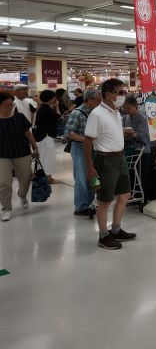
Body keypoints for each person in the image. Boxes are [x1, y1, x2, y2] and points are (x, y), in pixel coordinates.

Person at [84, 79, 137, 250]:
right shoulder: (97, 114)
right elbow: (88, 141)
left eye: (124, 92)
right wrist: (90, 167)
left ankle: (116, 229)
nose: (124, 95)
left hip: (120, 157)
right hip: (105, 159)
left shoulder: (115, 112)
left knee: (124, 194)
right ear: (108, 94)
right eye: (121, 92)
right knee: (105, 200)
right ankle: (103, 235)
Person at [0, 92, 39, 222]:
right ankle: (6, 208)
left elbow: (28, 133)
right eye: (6, 105)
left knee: (26, 178)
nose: (10, 107)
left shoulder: (19, 117)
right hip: (2, 155)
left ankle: (22, 195)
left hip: (22, 152)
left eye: (11, 104)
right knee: (4, 182)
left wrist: (35, 147)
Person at [64, 88, 102, 216]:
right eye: (97, 101)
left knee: (91, 176)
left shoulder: (95, 113)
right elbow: (69, 133)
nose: (99, 103)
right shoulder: (77, 113)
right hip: (80, 148)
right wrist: (86, 140)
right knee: (81, 178)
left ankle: (89, 203)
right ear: (89, 99)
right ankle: (81, 207)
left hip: (93, 148)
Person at [122, 96, 153, 202]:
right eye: (125, 108)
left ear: (136, 106)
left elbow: (141, 135)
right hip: (130, 150)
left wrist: (131, 133)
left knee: (142, 174)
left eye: (128, 108)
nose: (126, 110)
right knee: (131, 174)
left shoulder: (142, 118)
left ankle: (144, 198)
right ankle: (134, 195)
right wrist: (126, 133)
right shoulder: (124, 118)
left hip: (143, 150)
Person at [33, 89, 61, 184]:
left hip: (42, 136)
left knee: (44, 157)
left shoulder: (43, 108)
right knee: (48, 157)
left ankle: (44, 177)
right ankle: (48, 178)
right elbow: (58, 117)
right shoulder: (46, 109)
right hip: (46, 136)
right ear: (50, 98)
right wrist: (57, 107)